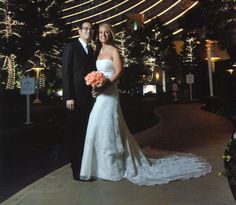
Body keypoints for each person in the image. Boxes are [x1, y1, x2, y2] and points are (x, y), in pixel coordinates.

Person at [80, 22, 212, 186]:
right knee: (96, 124)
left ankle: (114, 168)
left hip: (110, 92)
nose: (103, 35)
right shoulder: (97, 51)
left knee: (109, 125)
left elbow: (119, 71)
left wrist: (105, 84)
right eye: (100, 32)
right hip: (100, 93)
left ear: (110, 34)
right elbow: (98, 73)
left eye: (106, 32)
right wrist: (95, 86)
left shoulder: (114, 50)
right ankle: (99, 167)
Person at [62, 20, 96, 180]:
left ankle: (83, 166)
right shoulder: (71, 47)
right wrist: (68, 96)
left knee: (85, 133)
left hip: (88, 98)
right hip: (74, 98)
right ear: (79, 31)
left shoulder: (91, 50)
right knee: (75, 133)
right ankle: (76, 170)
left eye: (90, 29)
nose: (88, 31)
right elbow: (66, 73)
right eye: (85, 29)